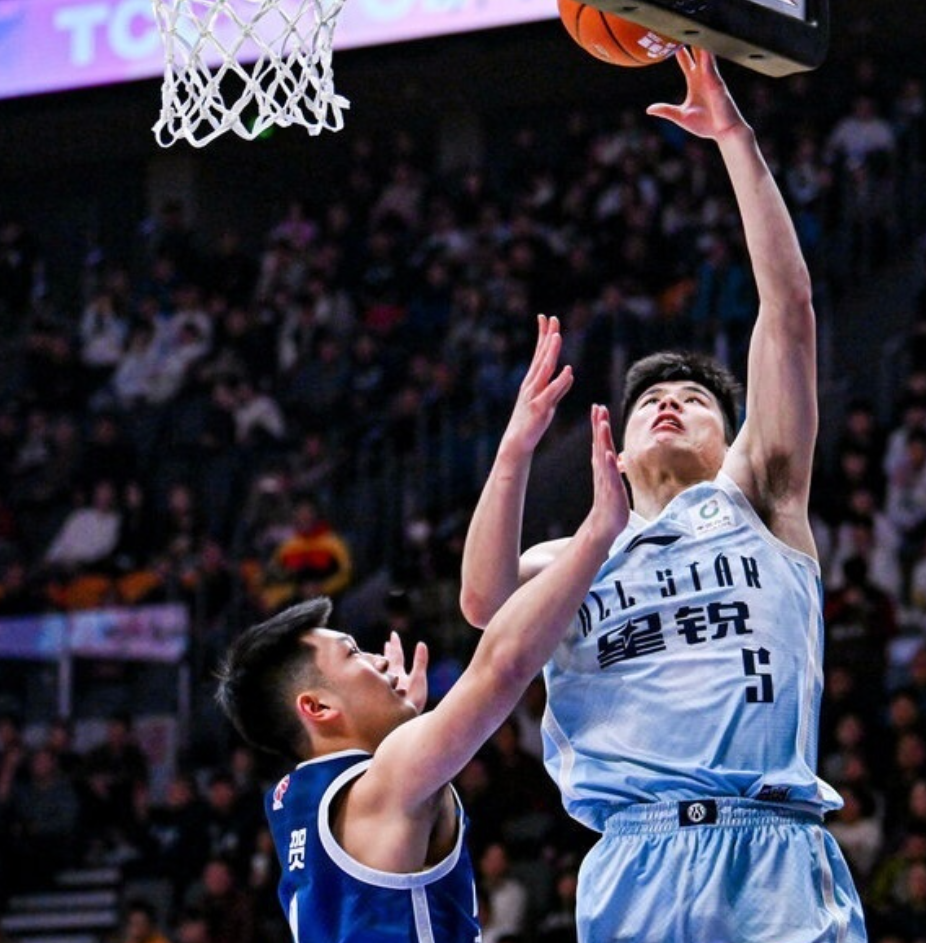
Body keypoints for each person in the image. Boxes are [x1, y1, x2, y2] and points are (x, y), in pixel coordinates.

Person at [459, 49, 867, 943]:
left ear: (731, 436)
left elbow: (789, 314)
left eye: (694, 399)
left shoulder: (760, 496)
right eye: (650, 399)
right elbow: (484, 602)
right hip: (631, 858)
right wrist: (516, 447)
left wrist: (734, 140)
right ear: (617, 439)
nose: (670, 403)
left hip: (771, 852)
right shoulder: (572, 558)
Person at [213, 401, 627, 942]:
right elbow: (503, 668)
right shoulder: (388, 782)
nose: (379, 659)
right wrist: (594, 535)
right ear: (317, 706)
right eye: (354, 655)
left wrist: (403, 727)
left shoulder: (292, 799)